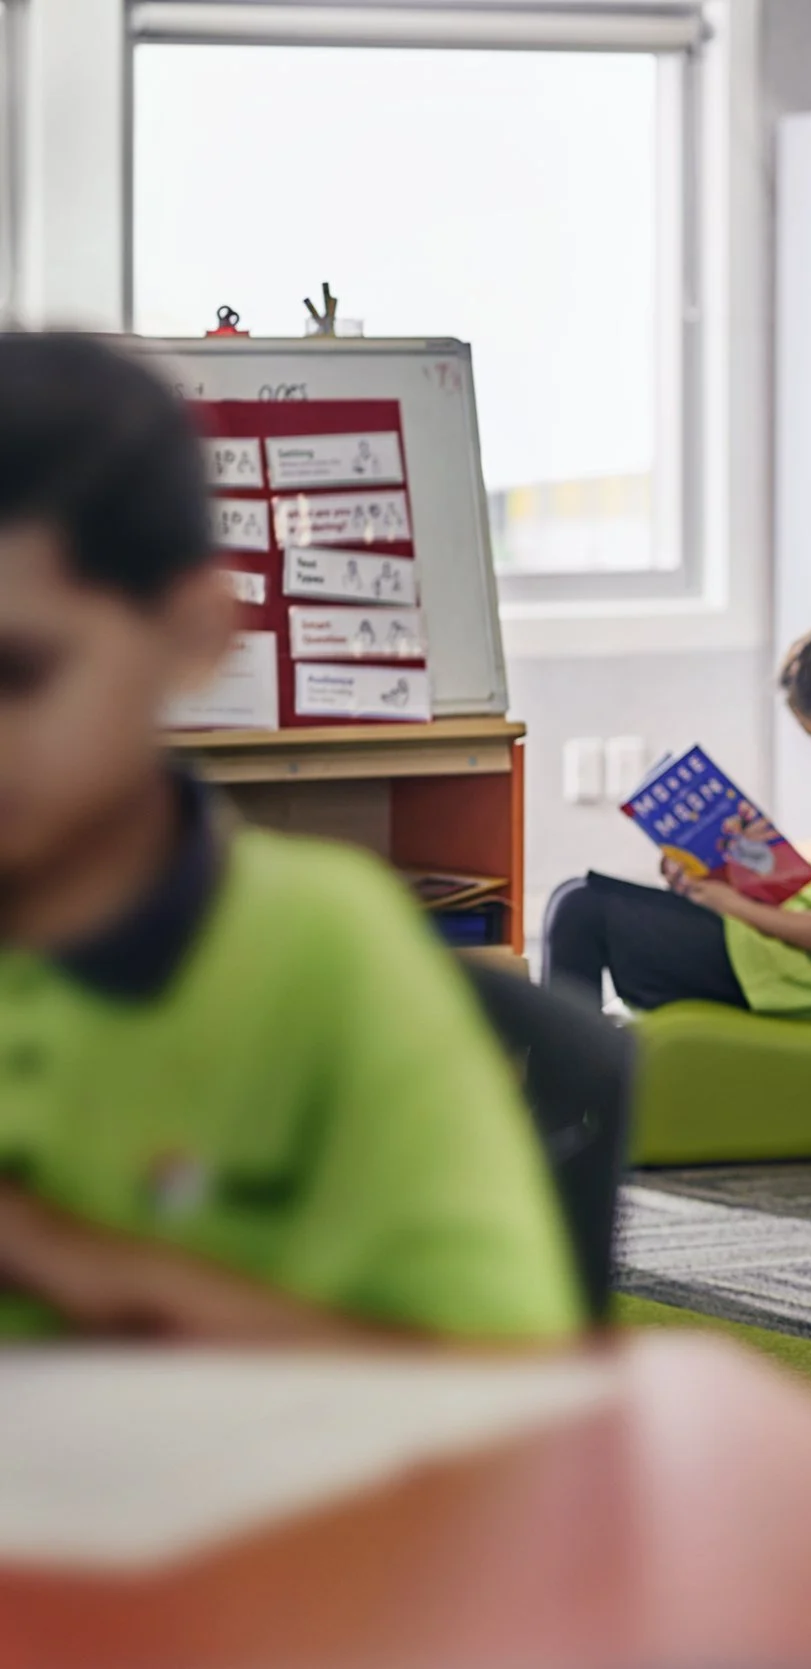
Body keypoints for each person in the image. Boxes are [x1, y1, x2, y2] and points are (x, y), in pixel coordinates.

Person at [0, 333, 579, 1344]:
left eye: (20, 672)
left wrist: (82, 1267)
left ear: (192, 635)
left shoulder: (327, 951)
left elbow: (502, 1396)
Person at [543, 616, 811, 1021]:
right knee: (573, 895)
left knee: (581, 910)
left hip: (793, 977)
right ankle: (560, 1076)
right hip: (769, 957)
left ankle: (562, 1087)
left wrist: (732, 904)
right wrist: (726, 872)